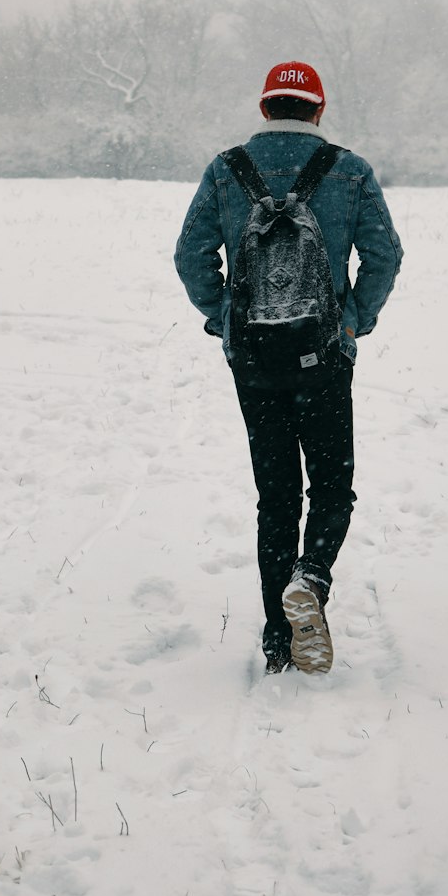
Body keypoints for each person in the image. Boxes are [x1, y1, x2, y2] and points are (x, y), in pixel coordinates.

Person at [174, 60, 403, 675]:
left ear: (265, 108)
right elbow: (384, 255)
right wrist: (353, 321)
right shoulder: (350, 171)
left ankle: (279, 639)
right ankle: (312, 578)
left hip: (254, 361)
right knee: (331, 486)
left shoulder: (227, 171)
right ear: (319, 111)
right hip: (323, 357)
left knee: (275, 498)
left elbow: (190, 255)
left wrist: (225, 319)